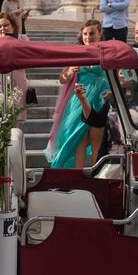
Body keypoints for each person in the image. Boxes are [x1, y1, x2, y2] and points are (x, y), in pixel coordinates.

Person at [44, 20, 110, 168]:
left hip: (100, 98)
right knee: (79, 137)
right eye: (85, 34)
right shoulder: (77, 52)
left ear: (100, 34)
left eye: (92, 33)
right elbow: (62, 79)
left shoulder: (106, 51)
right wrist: (69, 71)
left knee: (96, 139)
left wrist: (111, 91)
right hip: (79, 98)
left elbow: (115, 76)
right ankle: (77, 173)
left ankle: (96, 173)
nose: (88, 37)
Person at [0, 12, 29, 121]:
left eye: (6, 25)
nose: (3, 28)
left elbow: (27, 59)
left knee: (15, 121)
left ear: (13, 26)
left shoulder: (22, 39)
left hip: (17, 82)